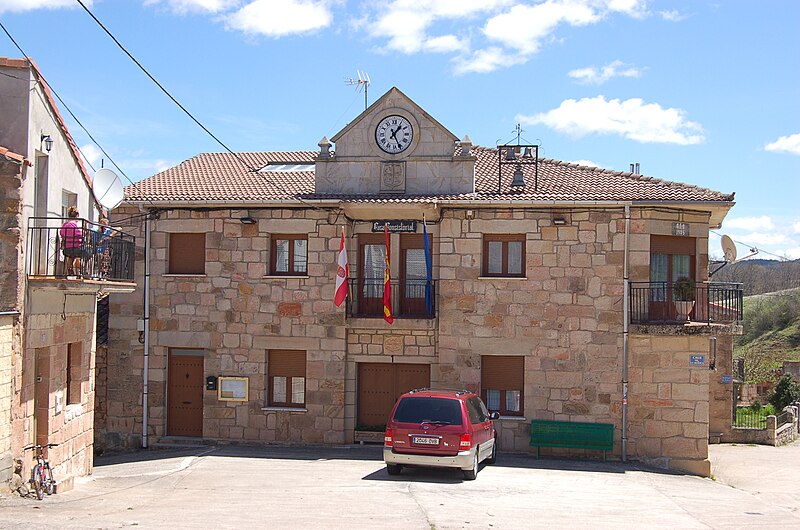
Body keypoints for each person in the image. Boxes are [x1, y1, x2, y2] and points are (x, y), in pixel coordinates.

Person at [60, 206, 83, 277]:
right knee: (88, 255)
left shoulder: (65, 225)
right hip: (76, 249)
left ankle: (68, 271)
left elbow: (61, 233)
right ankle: (82, 273)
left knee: (71, 256)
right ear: (77, 216)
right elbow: (80, 235)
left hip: (67, 249)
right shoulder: (74, 225)